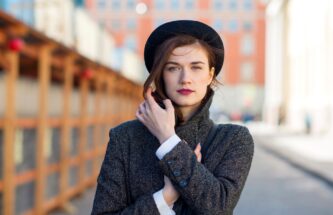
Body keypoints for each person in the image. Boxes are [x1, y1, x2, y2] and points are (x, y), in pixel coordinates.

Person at [91, 20, 254, 215]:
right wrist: (165, 197)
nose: (185, 78)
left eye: (196, 67)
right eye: (173, 67)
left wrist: (168, 141)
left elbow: (218, 207)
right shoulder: (124, 138)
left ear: (210, 75)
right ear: (161, 75)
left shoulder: (233, 139)